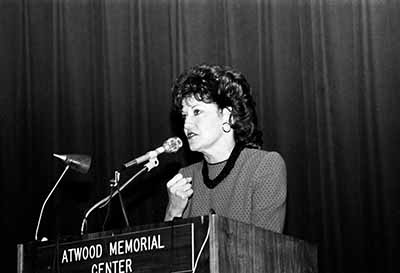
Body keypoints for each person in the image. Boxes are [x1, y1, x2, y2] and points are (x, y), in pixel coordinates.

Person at [164, 63, 287, 233]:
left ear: (227, 116)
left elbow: (263, 249)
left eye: (197, 112)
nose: (187, 124)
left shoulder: (264, 166)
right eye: (185, 116)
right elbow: (170, 256)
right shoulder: (184, 178)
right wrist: (174, 210)